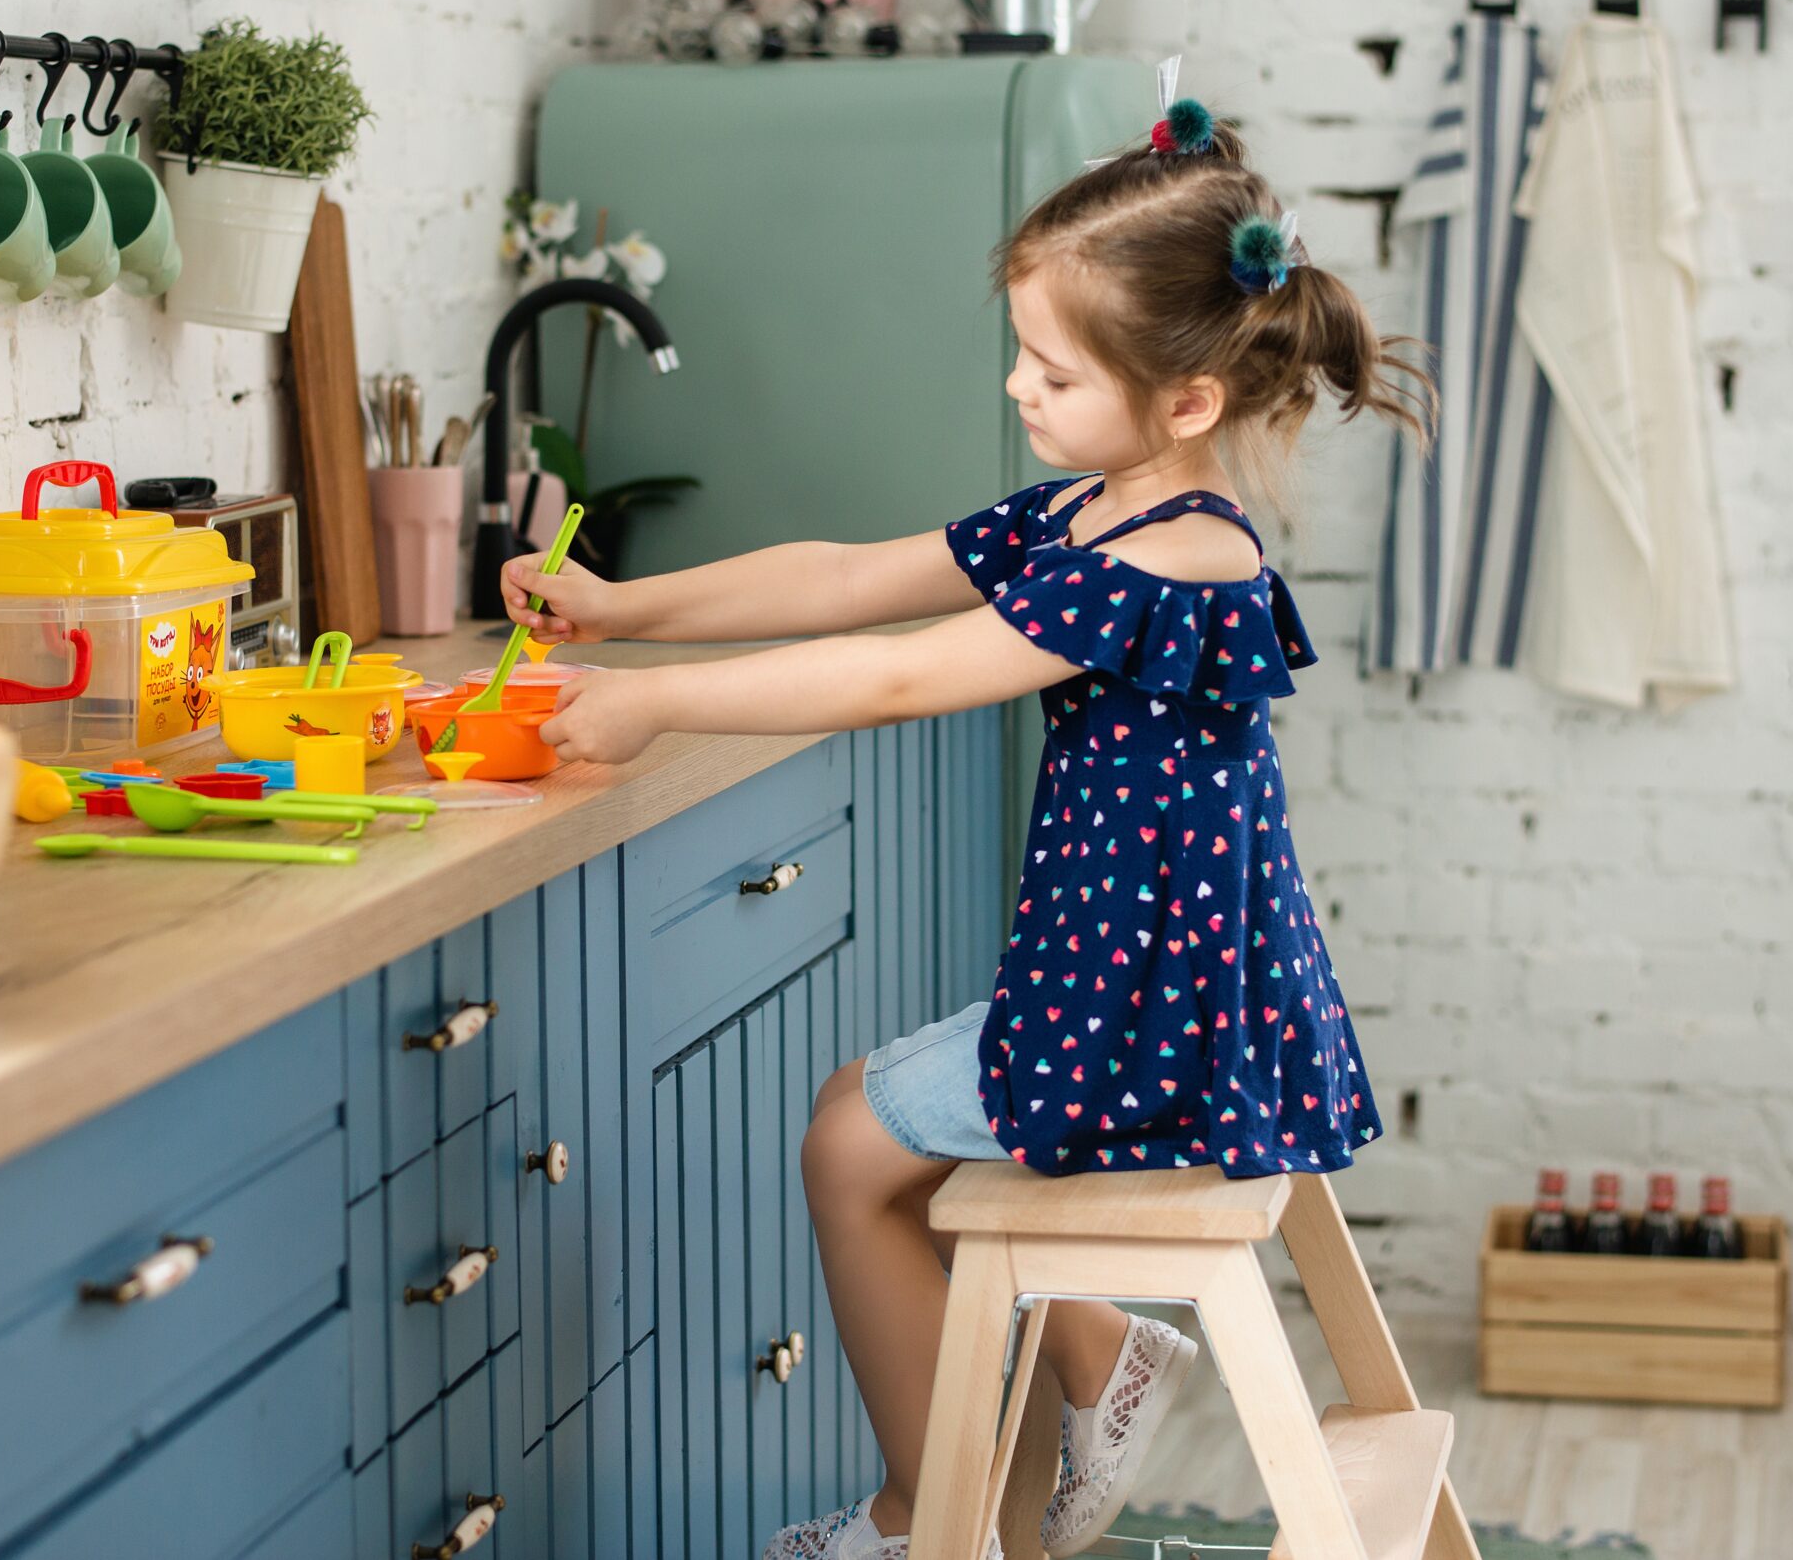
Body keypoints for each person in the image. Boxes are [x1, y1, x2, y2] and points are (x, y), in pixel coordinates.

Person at [500, 90, 1432, 1560]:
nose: (1019, 390)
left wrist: (653, 706)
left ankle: (929, 1521)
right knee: (865, 1118)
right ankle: (1083, 1367)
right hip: (1135, 987)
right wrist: (632, 611)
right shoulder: (1100, 510)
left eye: (1053, 371)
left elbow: (899, 671)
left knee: (847, 1148)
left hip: (1153, 1015)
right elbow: (853, 577)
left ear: (1187, 400)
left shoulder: (1171, 557)